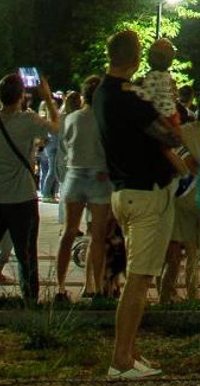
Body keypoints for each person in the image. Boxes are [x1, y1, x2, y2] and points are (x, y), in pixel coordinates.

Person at [103, 32, 197, 379]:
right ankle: (121, 360)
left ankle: (130, 351)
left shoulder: (103, 93)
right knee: (140, 280)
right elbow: (170, 135)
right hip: (146, 194)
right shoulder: (133, 100)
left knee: (136, 279)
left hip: (122, 190)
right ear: (135, 57)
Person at [0, 72, 49, 304]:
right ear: (21, 97)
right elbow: (55, 128)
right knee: (26, 253)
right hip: (22, 199)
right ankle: (29, 299)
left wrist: (1, 96)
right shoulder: (29, 121)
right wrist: (46, 97)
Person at [54, 76, 116, 298]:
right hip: (99, 175)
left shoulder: (71, 118)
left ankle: (60, 287)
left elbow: (65, 146)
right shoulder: (105, 119)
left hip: (74, 175)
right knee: (97, 236)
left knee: (69, 232)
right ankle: (97, 287)